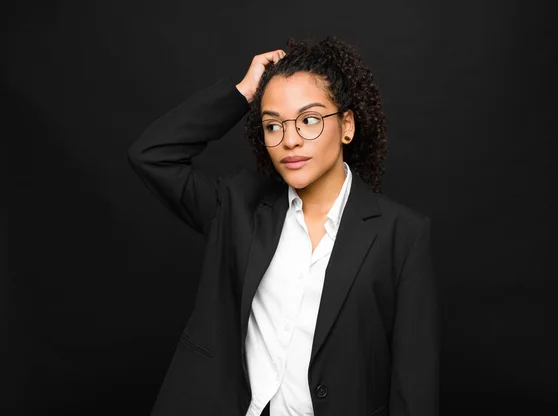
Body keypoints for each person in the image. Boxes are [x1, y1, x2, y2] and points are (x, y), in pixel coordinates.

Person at [128, 35, 438, 416]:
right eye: (273, 126)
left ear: (347, 126)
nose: (290, 140)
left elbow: (414, 386)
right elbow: (152, 155)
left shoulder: (401, 234)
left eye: (309, 120)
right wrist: (242, 94)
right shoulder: (238, 206)